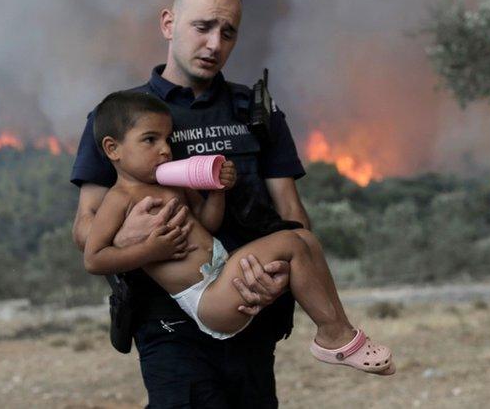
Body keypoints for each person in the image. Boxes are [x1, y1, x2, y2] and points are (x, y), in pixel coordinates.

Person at [71, 0, 309, 407]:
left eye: (228, 32)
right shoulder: (121, 118)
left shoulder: (256, 112)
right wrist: (129, 238)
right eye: (203, 27)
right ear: (168, 23)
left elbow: (291, 210)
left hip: (250, 306)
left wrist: (282, 278)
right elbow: (85, 224)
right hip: (167, 318)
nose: (215, 44)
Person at [82, 91, 394, 375]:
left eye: (167, 139)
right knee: (290, 242)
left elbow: (208, 224)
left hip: (222, 273)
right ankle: (333, 335)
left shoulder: (173, 183)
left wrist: (217, 191)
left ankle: (337, 327)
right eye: (150, 140)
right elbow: (94, 259)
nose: (165, 150)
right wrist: (150, 252)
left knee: (304, 239)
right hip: (206, 298)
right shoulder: (118, 200)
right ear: (113, 149)